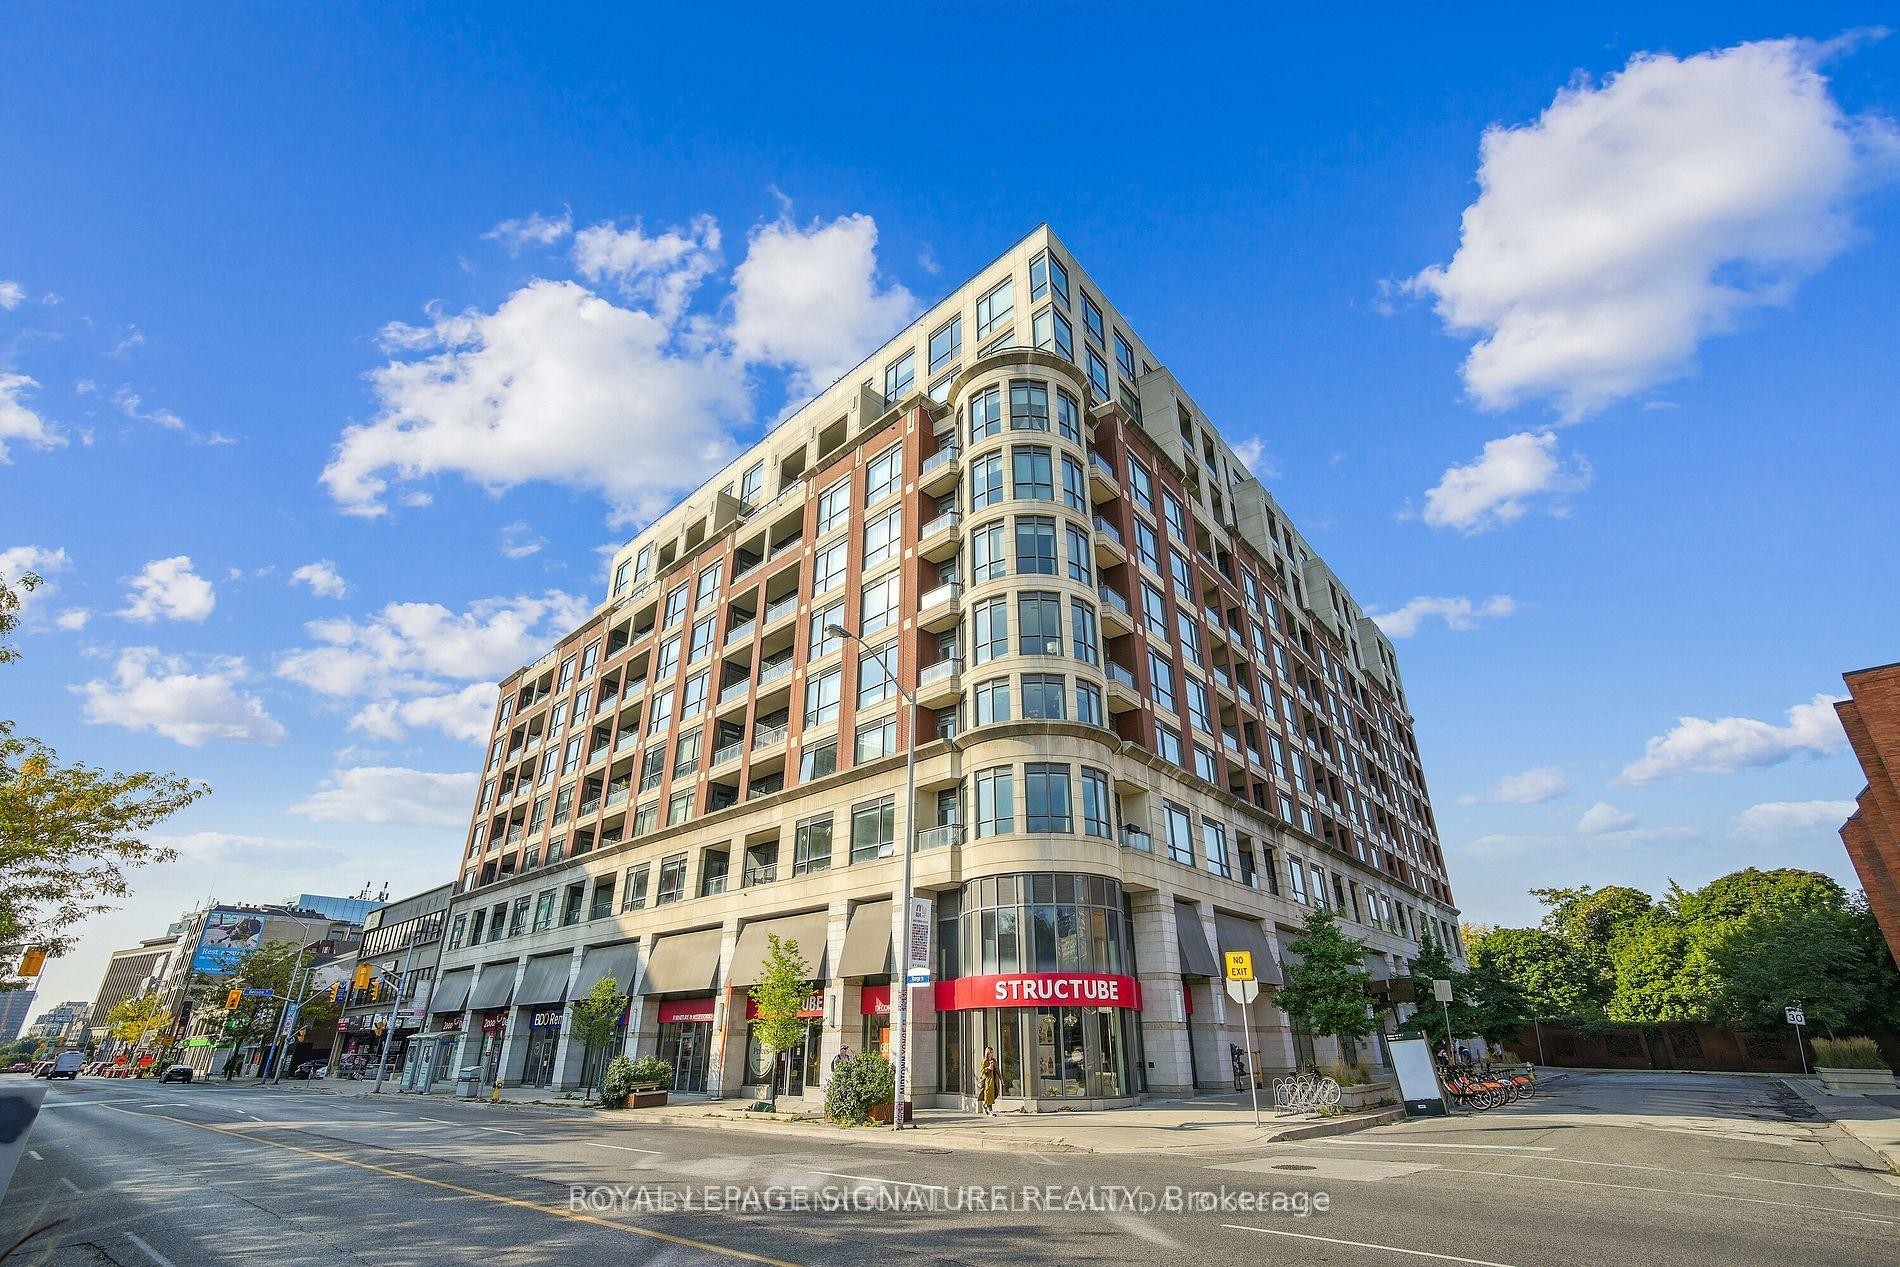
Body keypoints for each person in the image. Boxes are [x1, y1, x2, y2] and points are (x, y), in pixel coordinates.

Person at [979, 1046, 1000, 1115]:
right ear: (987, 1053)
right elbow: (982, 1071)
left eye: (992, 1052)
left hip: (994, 1080)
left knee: (992, 1095)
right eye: (990, 1052)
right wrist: (988, 1068)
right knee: (988, 1094)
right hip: (987, 1081)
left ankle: (985, 1105)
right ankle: (990, 1110)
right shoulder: (984, 1061)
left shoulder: (994, 1060)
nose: (991, 1054)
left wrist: (1001, 1079)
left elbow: (997, 1070)